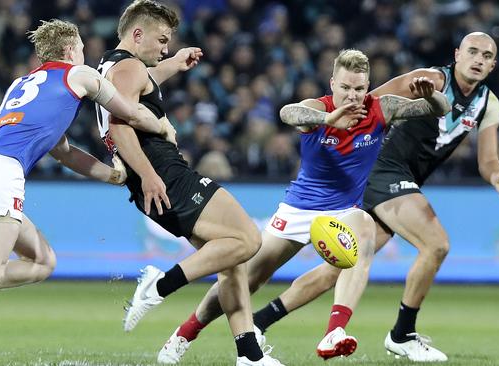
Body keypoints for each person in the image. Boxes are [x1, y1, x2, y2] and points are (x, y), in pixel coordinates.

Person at [201, 32, 499, 363]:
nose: (478, 59)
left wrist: (495, 175)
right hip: (383, 170)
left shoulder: (488, 103)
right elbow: (369, 102)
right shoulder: (431, 79)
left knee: (341, 266)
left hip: (403, 182)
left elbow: (487, 159)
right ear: (457, 54)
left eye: (487, 55)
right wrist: (336, 141)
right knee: (436, 244)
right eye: (473, 51)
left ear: (493, 65)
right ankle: (402, 334)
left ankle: (260, 322)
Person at [157, 49, 451, 364]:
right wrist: (328, 119)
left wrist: (432, 97)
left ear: (367, 87)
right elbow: (288, 113)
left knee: (364, 231)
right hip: (299, 209)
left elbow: (439, 108)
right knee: (249, 277)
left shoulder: (382, 108)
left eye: (359, 88)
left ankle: (335, 332)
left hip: (343, 211)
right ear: (333, 83)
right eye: (345, 88)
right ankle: (184, 334)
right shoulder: (316, 109)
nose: (352, 95)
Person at [0, 19, 170, 366]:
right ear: (69, 51)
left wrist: (113, 176)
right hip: (1, 171)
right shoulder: (80, 76)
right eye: (80, 47)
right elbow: (128, 110)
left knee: (43, 261)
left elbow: (63, 152)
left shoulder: (21, 83)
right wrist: (163, 127)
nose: (85, 53)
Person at [94, 1, 288, 365]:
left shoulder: (112, 66)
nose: (165, 48)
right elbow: (121, 126)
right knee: (248, 239)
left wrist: (173, 64)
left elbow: (139, 91)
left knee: (231, 263)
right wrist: (150, 175)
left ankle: (249, 354)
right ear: (138, 35)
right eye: (162, 40)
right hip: (164, 174)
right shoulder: (130, 67)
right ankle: (158, 286)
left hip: (151, 178)